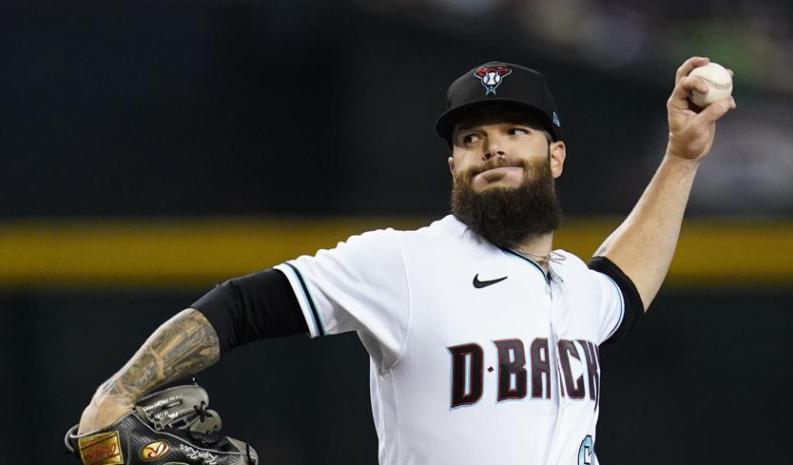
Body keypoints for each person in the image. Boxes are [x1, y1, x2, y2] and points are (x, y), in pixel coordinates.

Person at [76, 57, 735, 465]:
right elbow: (246, 304)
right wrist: (120, 389)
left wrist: (682, 158)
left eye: (515, 131)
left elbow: (623, 283)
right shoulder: (404, 262)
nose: (493, 149)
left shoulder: (572, 287)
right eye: (472, 138)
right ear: (454, 164)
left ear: (555, 156)